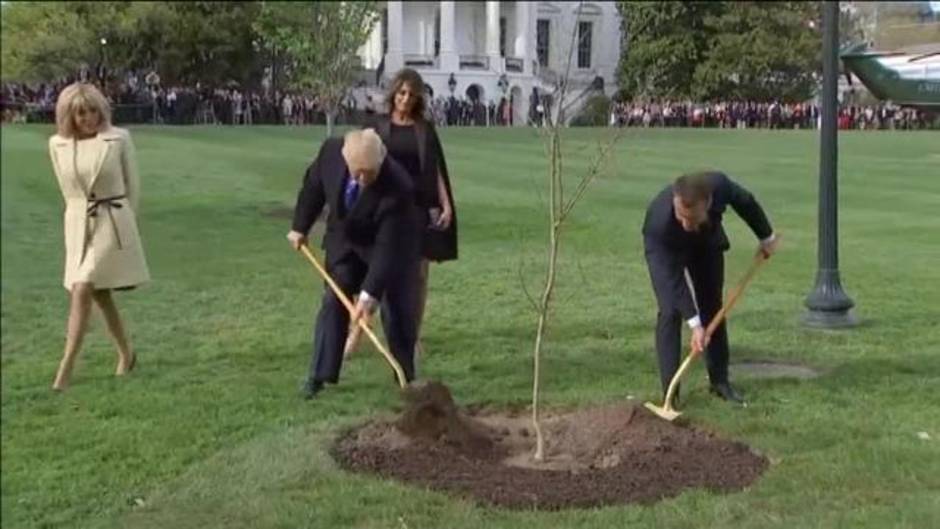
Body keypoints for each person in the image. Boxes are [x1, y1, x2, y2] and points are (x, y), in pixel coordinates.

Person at [287, 129, 420, 399]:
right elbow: (313, 188)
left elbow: (387, 248)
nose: (362, 179)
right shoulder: (331, 154)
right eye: (356, 172)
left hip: (387, 248)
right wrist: (300, 227)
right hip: (345, 242)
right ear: (345, 160)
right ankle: (319, 374)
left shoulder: (399, 186)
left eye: (368, 174)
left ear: (381, 161)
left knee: (397, 309)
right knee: (333, 300)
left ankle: (405, 377)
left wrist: (369, 294)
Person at [642, 171, 778, 407]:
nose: (685, 224)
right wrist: (694, 324)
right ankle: (670, 394)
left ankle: (720, 382)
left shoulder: (719, 186)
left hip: (705, 243)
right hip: (664, 250)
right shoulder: (660, 222)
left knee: (713, 306)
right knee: (670, 311)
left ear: (707, 203)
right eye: (680, 216)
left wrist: (766, 238)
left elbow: (745, 202)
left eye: (691, 218)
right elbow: (674, 282)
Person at [348, 68, 458, 360]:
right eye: (401, 93)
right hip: (384, 209)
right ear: (394, 93)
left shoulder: (424, 129)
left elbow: (436, 171)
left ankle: (413, 335)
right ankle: (356, 331)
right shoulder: (378, 127)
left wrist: (446, 204)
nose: (406, 99)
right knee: (374, 273)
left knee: (417, 278)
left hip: (417, 210)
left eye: (411, 95)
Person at [47, 82, 150, 391]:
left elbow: (133, 187)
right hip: (78, 223)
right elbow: (67, 192)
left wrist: (126, 225)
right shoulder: (57, 144)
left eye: (93, 111)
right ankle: (126, 353)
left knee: (82, 287)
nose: (88, 118)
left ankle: (65, 368)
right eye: (80, 113)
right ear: (69, 115)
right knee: (99, 294)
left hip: (113, 220)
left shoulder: (118, 139)